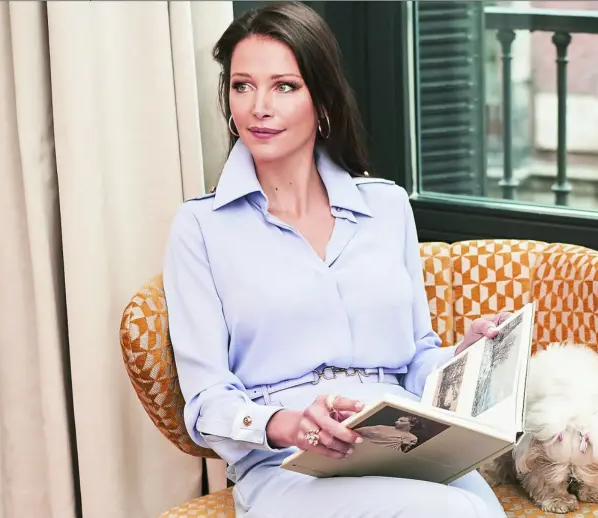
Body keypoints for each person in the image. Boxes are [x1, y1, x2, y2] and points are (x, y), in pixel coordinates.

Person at [162, 2, 510, 517]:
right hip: (287, 464)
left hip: (401, 438)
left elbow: (416, 357)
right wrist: (286, 422)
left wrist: (465, 358)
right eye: (242, 85)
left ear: (321, 100)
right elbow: (207, 402)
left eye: (284, 86)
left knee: (480, 511)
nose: (258, 106)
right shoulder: (200, 229)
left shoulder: (387, 206)